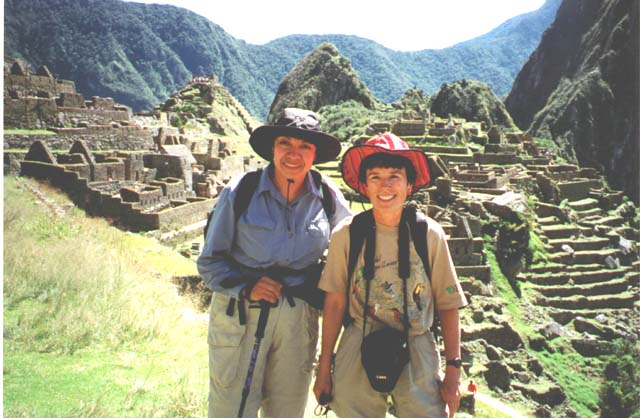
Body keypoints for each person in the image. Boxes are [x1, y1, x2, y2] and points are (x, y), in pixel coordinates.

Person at [198, 108, 351, 418]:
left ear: (315, 154)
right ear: (272, 148)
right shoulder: (240, 192)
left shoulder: (327, 195)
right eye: (286, 144)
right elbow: (210, 262)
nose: (294, 155)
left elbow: (352, 247)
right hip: (241, 314)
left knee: (288, 409)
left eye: (305, 147)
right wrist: (246, 287)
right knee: (231, 408)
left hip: (299, 316)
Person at [313, 133, 468, 418]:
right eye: (375, 177)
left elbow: (448, 304)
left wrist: (453, 371)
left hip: (417, 342)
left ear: (409, 185)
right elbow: (334, 303)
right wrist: (324, 367)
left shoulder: (429, 235)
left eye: (394, 176)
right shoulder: (347, 235)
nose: (385, 186)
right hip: (359, 339)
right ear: (364, 186)